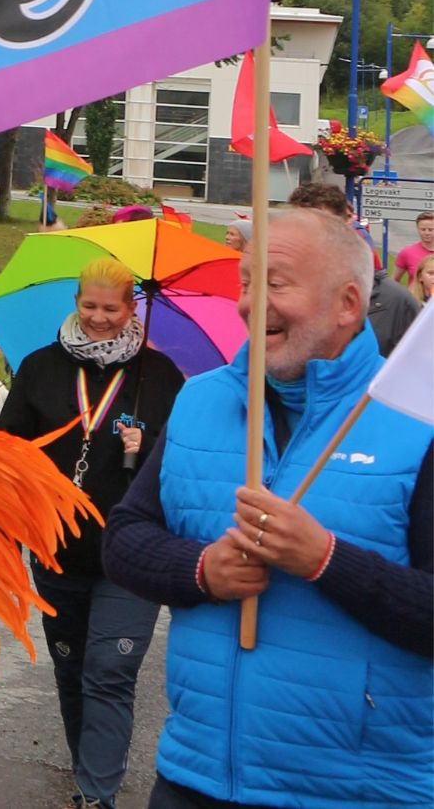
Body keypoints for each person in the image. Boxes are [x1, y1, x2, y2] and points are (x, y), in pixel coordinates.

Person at [102, 208, 433, 809]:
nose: (251, 305)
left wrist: (326, 560)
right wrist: (201, 570)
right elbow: (124, 539)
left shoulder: (417, 424)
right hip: (194, 777)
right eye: (247, 284)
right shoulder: (200, 401)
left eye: (276, 284)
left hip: (359, 791)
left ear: (348, 304)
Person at [0, 259, 185, 809]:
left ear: (132, 310)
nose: (99, 319)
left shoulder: (163, 376)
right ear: (76, 303)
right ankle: (89, 770)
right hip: (56, 550)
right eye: (90, 306)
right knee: (73, 668)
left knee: (109, 671)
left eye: (112, 309)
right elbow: (9, 452)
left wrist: (141, 449)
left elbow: (184, 464)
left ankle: (95, 795)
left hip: (133, 554)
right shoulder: (39, 368)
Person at [284, 183, 419, 354]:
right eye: (300, 226)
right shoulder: (278, 295)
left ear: (346, 224)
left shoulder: (395, 302)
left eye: (322, 224)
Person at [393, 211, 434, 286]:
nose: (427, 233)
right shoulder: (407, 253)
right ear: (418, 229)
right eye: (423, 229)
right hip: (415, 297)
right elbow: (394, 281)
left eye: (430, 230)